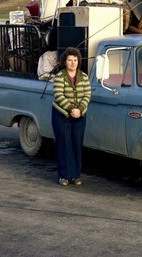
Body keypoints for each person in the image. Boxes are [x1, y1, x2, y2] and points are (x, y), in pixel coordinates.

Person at [52, 47, 91, 187]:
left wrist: (79, 110)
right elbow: (59, 95)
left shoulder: (84, 77)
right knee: (64, 144)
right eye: (69, 60)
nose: (72, 63)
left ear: (78, 61)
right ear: (65, 61)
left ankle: (75, 175)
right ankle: (63, 176)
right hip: (61, 115)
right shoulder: (59, 76)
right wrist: (71, 109)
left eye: (75, 60)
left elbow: (87, 95)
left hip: (79, 116)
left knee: (76, 145)